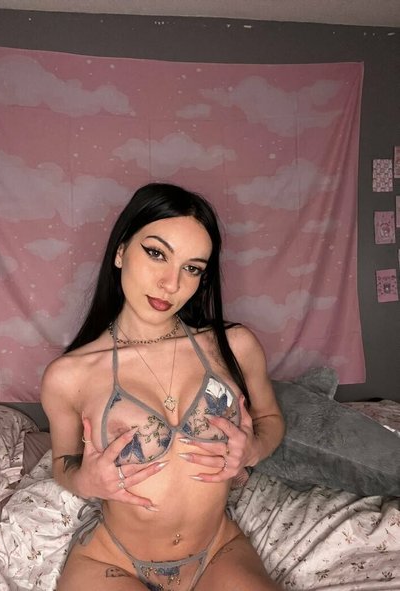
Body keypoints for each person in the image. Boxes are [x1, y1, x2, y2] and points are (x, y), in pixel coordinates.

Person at [41, 182, 285, 591]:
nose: (171, 283)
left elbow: (270, 417)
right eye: (157, 253)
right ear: (121, 251)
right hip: (113, 559)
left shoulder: (235, 346)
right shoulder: (69, 376)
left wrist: (254, 449)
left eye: (192, 268)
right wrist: (84, 481)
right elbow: (63, 462)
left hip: (217, 550)